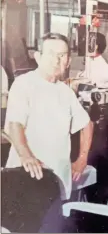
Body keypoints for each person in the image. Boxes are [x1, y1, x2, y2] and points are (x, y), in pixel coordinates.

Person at [3, 33, 94, 231]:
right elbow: (15, 124)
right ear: (38, 56)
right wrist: (26, 156)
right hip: (27, 180)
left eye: (62, 55)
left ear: (69, 60)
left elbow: (87, 124)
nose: (57, 60)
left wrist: (82, 159)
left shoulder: (65, 92)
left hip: (58, 182)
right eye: (52, 54)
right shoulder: (24, 84)